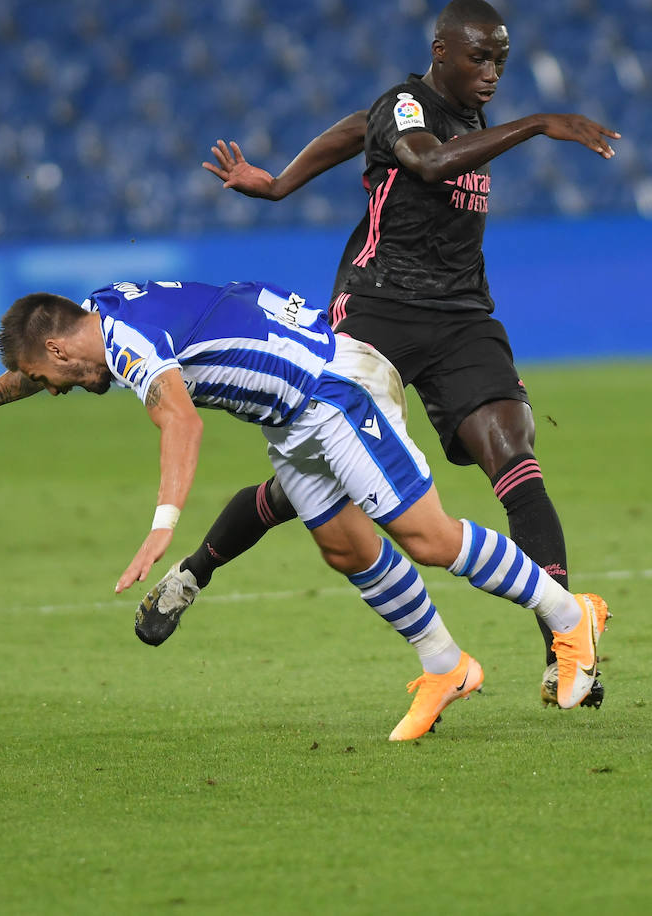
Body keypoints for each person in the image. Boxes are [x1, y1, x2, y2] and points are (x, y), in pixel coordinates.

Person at [147, 0, 620, 708]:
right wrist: (539, 124)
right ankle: (194, 571)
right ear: (440, 52)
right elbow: (424, 161)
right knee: (311, 488)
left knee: (515, 456)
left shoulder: (464, 112)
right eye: (479, 58)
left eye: (501, 60)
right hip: (377, 312)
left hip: (462, 315)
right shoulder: (408, 104)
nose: (492, 72)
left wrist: (280, 182)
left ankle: (564, 649)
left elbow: (352, 128)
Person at [0, 280, 610, 740]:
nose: (50, 389)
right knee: (345, 549)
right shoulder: (102, 309)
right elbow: (43, 368)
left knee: (426, 537)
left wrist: (162, 526)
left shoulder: (129, 344)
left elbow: (182, 422)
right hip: (289, 417)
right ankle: (446, 665)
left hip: (332, 388)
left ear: (58, 347)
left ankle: (568, 615)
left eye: (43, 376)